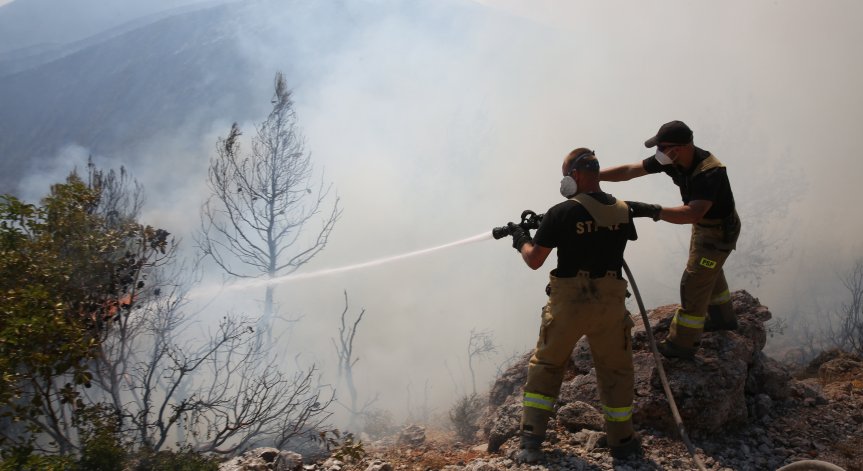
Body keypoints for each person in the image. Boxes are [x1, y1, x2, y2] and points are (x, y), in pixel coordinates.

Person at [504, 148, 658, 463]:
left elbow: (535, 259)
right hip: (610, 305)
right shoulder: (622, 209)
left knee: (547, 367)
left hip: (570, 304)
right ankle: (623, 443)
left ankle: (531, 441)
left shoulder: (561, 212)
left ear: (574, 175)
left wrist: (521, 237)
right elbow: (597, 225)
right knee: (616, 371)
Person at [599, 120, 741, 360]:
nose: (659, 153)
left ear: (682, 147)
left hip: (718, 234)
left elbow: (692, 213)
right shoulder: (673, 160)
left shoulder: (709, 172)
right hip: (705, 229)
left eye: (663, 147)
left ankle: (682, 345)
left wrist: (652, 210)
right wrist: (594, 177)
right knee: (709, 268)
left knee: (694, 282)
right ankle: (723, 318)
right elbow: (630, 171)